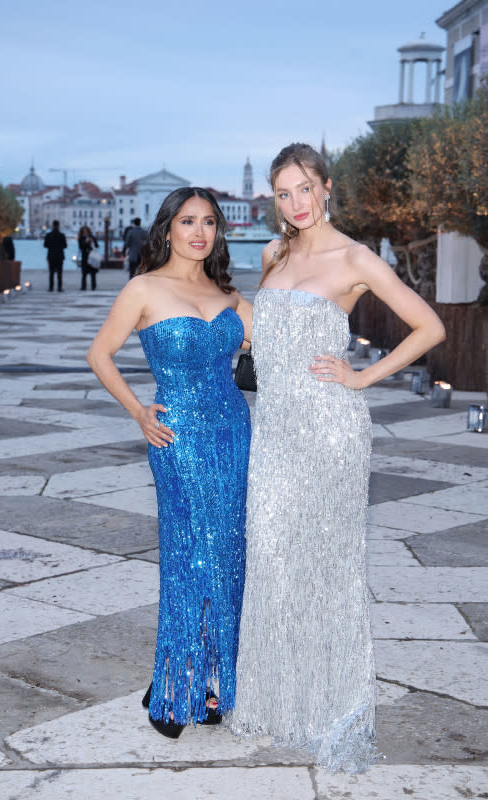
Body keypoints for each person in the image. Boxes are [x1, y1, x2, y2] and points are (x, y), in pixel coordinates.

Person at [229, 143, 446, 772]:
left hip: (329, 432)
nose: (295, 203)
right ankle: (277, 698)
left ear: (326, 187)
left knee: (326, 566)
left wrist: (362, 377)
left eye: (304, 188)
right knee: (272, 556)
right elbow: (260, 336)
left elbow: (429, 327)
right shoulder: (273, 253)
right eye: (282, 193)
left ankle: (328, 705)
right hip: (273, 432)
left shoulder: (356, 258)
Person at [86, 187, 252, 738]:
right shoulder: (144, 288)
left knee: (227, 554)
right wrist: (137, 411)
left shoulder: (227, 293)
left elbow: (282, 338)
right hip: (175, 437)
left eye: (208, 222)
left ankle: (210, 681)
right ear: (167, 229)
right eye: (187, 221)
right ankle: (173, 687)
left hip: (233, 433)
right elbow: (99, 354)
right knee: (190, 554)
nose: (199, 232)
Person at [44, 220, 67, 292]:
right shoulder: (62, 235)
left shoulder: (48, 235)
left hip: (51, 256)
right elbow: (65, 246)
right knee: (60, 273)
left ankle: (51, 287)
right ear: (58, 226)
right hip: (60, 256)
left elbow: (45, 245)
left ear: (53, 225)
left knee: (51, 273)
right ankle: (59, 287)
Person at [78, 225, 99, 290]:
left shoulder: (92, 237)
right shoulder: (81, 238)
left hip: (92, 257)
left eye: (86, 231)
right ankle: (83, 286)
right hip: (85, 257)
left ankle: (93, 286)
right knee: (84, 273)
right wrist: (86, 242)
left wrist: (92, 241)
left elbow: (96, 246)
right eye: (84, 231)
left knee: (93, 273)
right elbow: (81, 247)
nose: (85, 232)